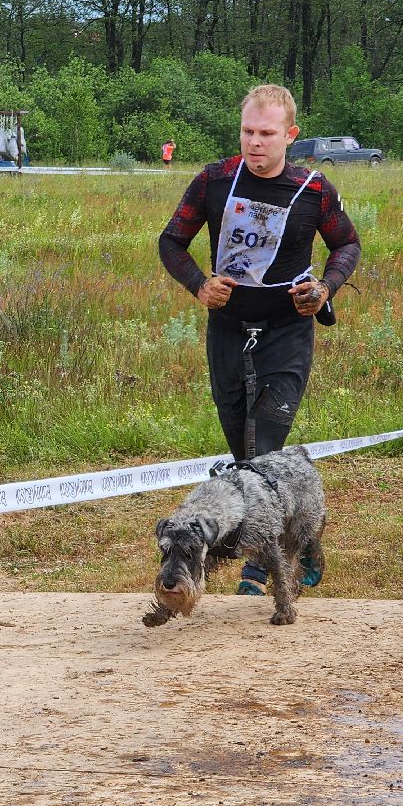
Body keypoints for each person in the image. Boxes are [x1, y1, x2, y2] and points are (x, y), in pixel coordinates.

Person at [158, 83, 360, 597]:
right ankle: (297, 542)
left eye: (267, 133)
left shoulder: (314, 189)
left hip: (287, 329)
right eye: (248, 131)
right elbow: (171, 241)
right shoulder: (214, 180)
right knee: (242, 450)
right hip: (228, 328)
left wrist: (324, 288)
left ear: (290, 135)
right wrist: (199, 285)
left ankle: (261, 564)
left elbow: (347, 244)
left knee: (264, 440)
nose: (255, 142)